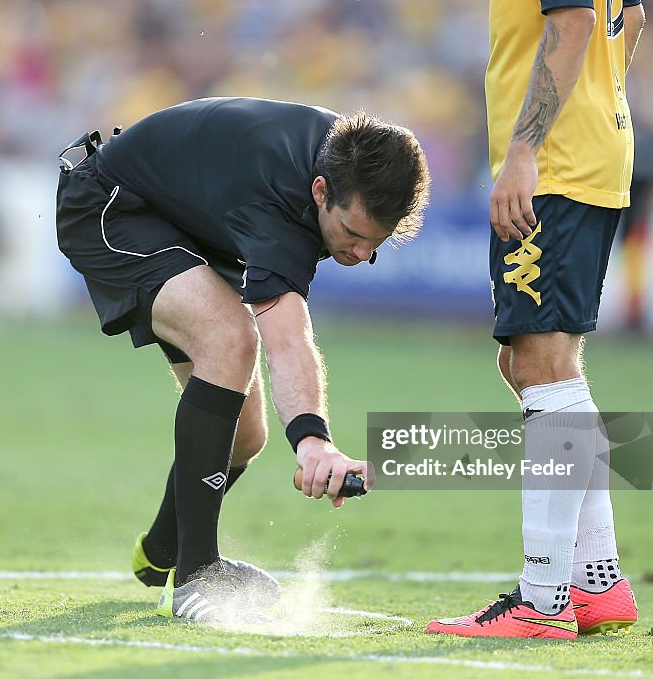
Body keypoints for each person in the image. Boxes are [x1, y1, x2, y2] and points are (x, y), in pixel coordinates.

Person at [55, 97, 430, 623]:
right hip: (110, 206)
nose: (361, 255)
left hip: (186, 226)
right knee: (230, 338)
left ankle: (162, 551)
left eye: (378, 243)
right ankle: (194, 575)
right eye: (352, 234)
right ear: (320, 192)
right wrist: (313, 441)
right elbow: (287, 339)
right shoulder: (276, 201)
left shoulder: (350, 160)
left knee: (244, 434)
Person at [426, 0, 645, 639]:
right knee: (533, 364)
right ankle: (595, 581)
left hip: (556, 166)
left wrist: (525, 149)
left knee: (543, 365)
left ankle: (543, 598)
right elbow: (629, 21)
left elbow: (575, 21)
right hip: (590, 153)